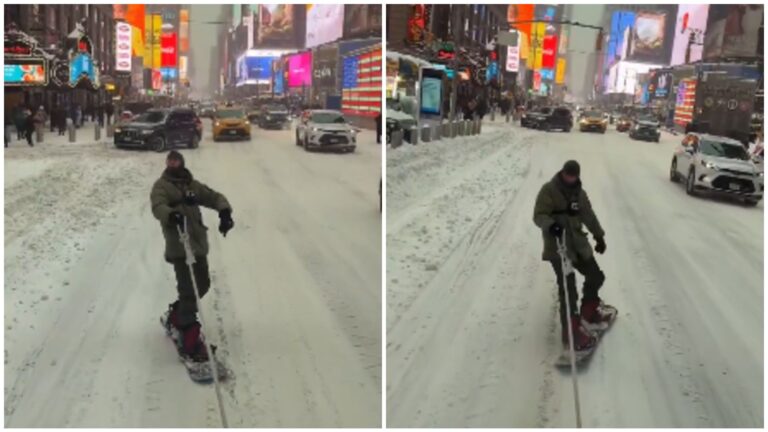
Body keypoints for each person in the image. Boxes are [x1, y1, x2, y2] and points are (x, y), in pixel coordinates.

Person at [152, 150, 234, 363]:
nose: (173, 163)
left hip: (197, 245)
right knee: (189, 289)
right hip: (180, 245)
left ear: (182, 162)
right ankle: (189, 336)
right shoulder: (161, 186)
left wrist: (224, 212)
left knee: (203, 284)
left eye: (176, 160)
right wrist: (173, 214)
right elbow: (158, 206)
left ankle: (177, 315)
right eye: (170, 160)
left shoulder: (192, 185)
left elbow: (213, 197)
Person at [533, 160, 616, 352]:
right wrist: (551, 224)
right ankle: (571, 334)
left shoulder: (579, 193)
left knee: (596, 276)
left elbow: (588, 215)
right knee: (568, 289)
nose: (570, 178)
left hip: (578, 244)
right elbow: (538, 215)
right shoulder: (548, 190)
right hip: (559, 247)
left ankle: (589, 311)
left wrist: (599, 236)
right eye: (567, 175)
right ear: (562, 172)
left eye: (573, 176)